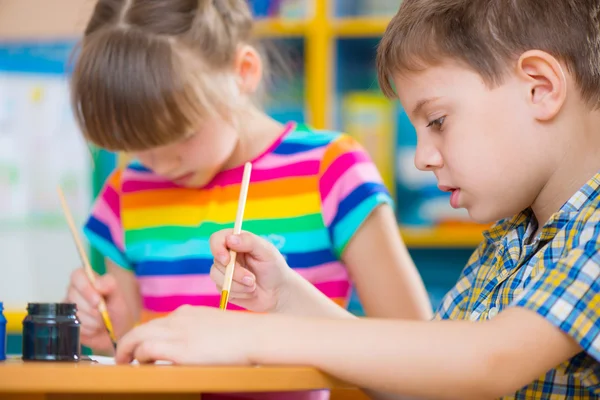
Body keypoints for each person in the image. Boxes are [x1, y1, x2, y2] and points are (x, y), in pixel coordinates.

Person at [113, 0, 600, 399]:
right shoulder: (513, 240)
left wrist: (250, 336)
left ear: (540, 87)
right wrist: (286, 299)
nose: (421, 159)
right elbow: (422, 379)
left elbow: (489, 360)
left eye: (436, 121)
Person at [64, 0, 431, 399]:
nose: (163, 165)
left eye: (181, 134)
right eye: (137, 146)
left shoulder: (332, 171)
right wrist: (114, 332)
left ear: (243, 72)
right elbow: (141, 357)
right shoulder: (126, 192)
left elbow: (417, 353)